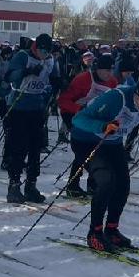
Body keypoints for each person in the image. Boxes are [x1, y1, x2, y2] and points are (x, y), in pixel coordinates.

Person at [71, 75, 139, 252]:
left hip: (112, 143)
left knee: (122, 185)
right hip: (86, 141)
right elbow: (78, 119)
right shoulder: (116, 98)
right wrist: (102, 126)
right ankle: (94, 233)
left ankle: (112, 230)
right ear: (137, 94)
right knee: (106, 182)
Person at [4, 33, 61, 204]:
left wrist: (58, 83)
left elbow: (54, 77)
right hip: (19, 106)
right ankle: (14, 185)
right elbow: (9, 76)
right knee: (19, 147)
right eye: (42, 51)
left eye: (47, 52)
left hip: (37, 107)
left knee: (36, 148)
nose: (44, 55)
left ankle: (31, 185)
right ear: (36, 48)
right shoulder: (23, 56)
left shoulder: (50, 60)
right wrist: (26, 71)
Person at [57, 54, 118, 197]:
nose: (109, 74)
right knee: (83, 148)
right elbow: (63, 100)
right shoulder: (83, 79)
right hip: (73, 114)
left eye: (111, 70)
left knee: (98, 148)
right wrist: (79, 109)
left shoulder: (113, 82)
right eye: (106, 71)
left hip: (95, 118)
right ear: (97, 69)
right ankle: (73, 185)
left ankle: (93, 183)